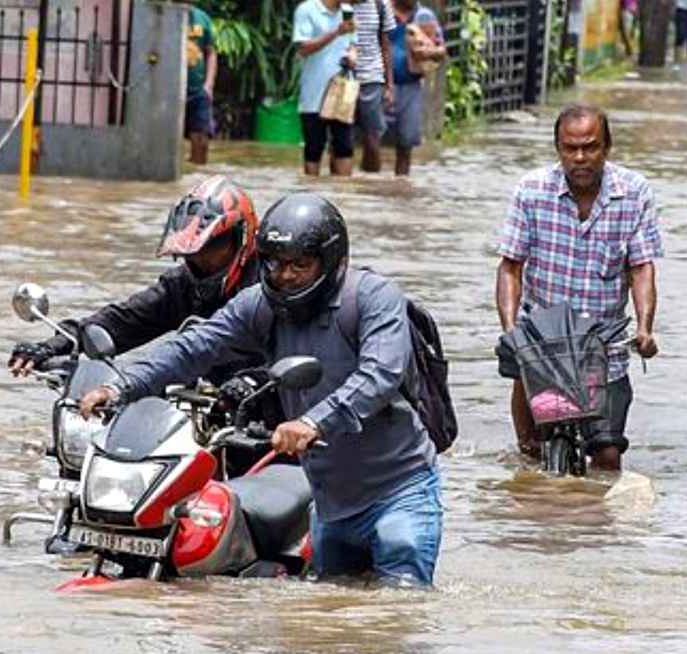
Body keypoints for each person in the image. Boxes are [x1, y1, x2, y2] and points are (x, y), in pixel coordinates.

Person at [78, 193, 444, 587]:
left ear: (333, 261)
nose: (285, 276)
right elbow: (195, 347)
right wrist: (122, 386)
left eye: (300, 265)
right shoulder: (261, 304)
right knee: (329, 621)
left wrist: (312, 422)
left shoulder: (373, 299)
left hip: (398, 493)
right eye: (275, 263)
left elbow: (379, 375)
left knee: (400, 610)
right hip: (330, 502)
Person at [495, 105, 662, 472]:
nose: (580, 158)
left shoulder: (634, 193)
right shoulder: (531, 190)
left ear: (607, 147)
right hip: (542, 344)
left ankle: (598, 531)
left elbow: (641, 267)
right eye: (570, 149)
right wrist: (511, 331)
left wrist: (645, 329)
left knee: (607, 456)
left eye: (590, 147)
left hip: (603, 347)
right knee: (531, 454)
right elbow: (510, 267)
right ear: (558, 149)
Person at [8, 176, 262, 377]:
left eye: (212, 248)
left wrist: (253, 382)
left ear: (241, 240)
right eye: (194, 252)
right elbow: (122, 320)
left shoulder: (269, 291)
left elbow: (294, 355)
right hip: (201, 409)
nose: (200, 259)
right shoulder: (182, 287)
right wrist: (53, 345)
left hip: (267, 415)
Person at [293, 0, 357, 177]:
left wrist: (352, 56)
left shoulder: (348, 12)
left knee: (344, 147)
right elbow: (303, 48)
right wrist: (336, 32)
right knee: (314, 148)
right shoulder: (307, 9)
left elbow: (352, 44)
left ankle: (342, 196)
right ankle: (312, 193)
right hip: (314, 94)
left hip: (342, 93)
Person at [385, 0, 445, 176]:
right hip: (378, 84)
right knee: (371, 137)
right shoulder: (382, 12)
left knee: (406, 143)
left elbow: (441, 49)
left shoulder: (424, 16)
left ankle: (401, 184)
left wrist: (427, 53)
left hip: (411, 85)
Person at [351, 0, 396, 173]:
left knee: (373, 137)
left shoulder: (381, 5)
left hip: (372, 77)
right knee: (340, 137)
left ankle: (371, 184)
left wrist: (389, 84)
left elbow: (386, 46)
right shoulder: (336, 4)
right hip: (341, 77)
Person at [185, 4, 217, 165]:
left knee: (201, 138)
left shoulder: (202, 18)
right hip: (168, 90)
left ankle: (197, 178)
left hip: (198, 89)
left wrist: (209, 85)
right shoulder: (162, 13)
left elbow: (211, 52)